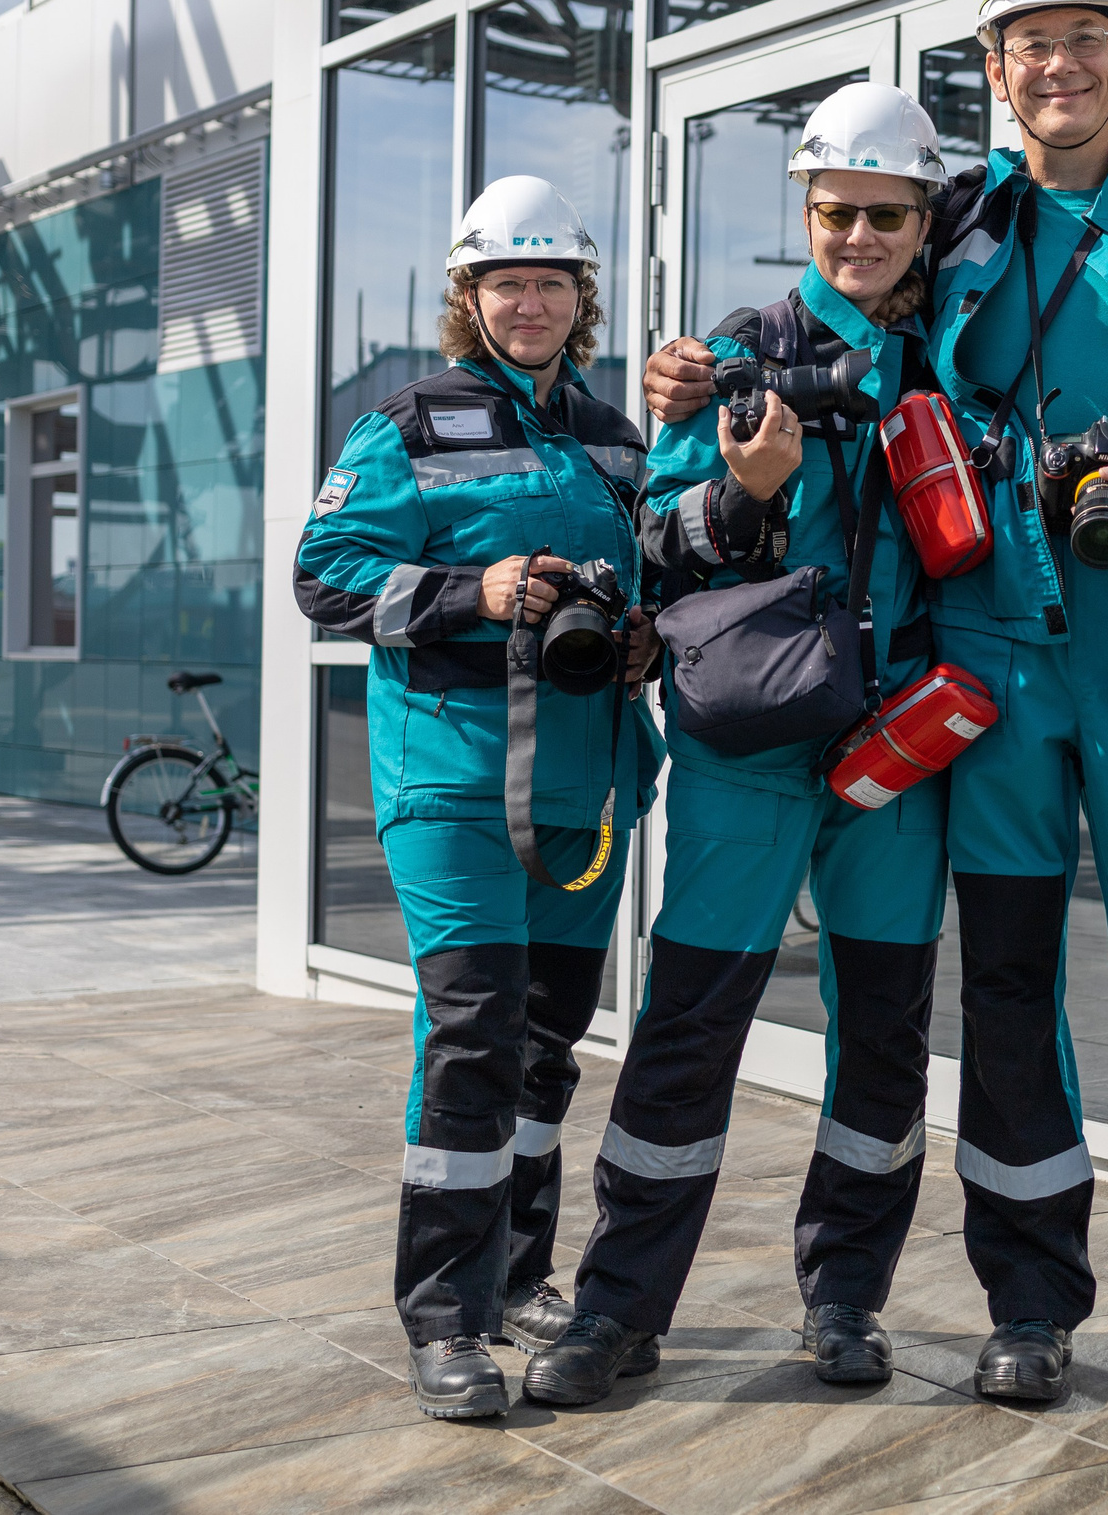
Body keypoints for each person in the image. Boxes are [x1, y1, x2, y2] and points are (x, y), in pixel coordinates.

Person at [647, 0, 1108, 1420]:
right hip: (999, 664)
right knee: (1010, 985)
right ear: (995, 71)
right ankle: (1029, 1300)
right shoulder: (960, 219)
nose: (1060, 63)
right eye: (1030, 42)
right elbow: (847, 292)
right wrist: (694, 374)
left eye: (1086, 36)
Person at [524, 85, 951, 1408]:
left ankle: (845, 1294)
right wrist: (743, 493)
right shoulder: (731, 356)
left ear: (927, 220)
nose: (861, 235)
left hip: (898, 751)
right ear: (806, 213)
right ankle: (618, 1307)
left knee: (882, 1036)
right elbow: (649, 538)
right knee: (689, 1024)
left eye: (889, 213)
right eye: (837, 212)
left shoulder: (958, 361)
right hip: (748, 747)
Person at [294, 176, 663, 1421]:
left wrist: (640, 637)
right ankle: (445, 1318)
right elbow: (323, 575)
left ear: (581, 296)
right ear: (469, 297)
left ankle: (519, 1281)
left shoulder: (618, 437)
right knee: (471, 1035)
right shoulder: (407, 425)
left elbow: (649, 575)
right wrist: (475, 589)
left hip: (585, 787)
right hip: (450, 780)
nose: (530, 302)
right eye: (505, 282)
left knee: (546, 1048)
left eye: (552, 281)